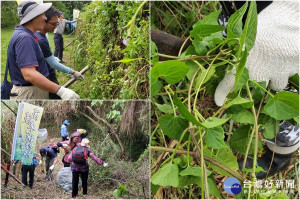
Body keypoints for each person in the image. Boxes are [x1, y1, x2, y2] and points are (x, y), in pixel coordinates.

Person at [215, 1, 299, 178]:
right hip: (237, 12)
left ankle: (280, 155)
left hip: (285, 28)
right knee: (252, 77)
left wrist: (293, 11)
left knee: (285, 94)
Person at [7, 1, 79, 100]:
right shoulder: (25, 38)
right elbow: (29, 74)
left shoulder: (26, 35)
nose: (44, 18)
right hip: (29, 93)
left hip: (32, 91)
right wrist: (60, 90)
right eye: (42, 14)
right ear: (33, 16)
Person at [35, 6, 84, 99]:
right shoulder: (40, 39)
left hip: (48, 72)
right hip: (47, 76)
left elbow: (47, 57)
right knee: (56, 97)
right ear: (43, 20)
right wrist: (73, 72)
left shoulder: (43, 35)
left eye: (57, 23)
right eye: (53, 24)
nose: (56, 26)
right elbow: (53, 64)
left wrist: (52, 58)